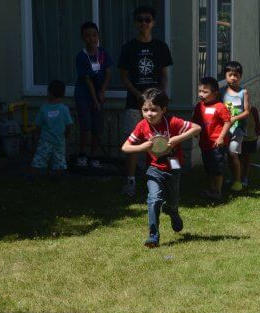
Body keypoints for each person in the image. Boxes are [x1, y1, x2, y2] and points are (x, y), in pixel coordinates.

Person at [121, 88, 200, 248]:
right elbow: (125, 147)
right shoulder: (142, 126)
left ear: (163, 110)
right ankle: (153, 235)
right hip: (154, 168)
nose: (149, 114)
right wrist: (142, 147)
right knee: (154, 199)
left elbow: (197, 128)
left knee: (173, 200)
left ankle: (173, 211)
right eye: (145, 110)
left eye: (153, 110)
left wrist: (178, 138)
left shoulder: (172, 122)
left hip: (174, 166)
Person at [119, 5, 173, 196]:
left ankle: (160, 178)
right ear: (135, 23)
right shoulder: (129, 48)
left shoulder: (160, 47)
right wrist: (136, 93)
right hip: (134, 103)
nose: (144, 23)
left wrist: (161, 94)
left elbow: (164, 74)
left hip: (157, 105)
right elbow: (124, 75)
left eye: (147, 19)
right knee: (133, 143)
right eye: (140, 19)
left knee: (160, 142)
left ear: (153, 23)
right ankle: (131, 180)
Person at [74, 21, 113, 169]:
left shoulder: (103, 54)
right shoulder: (81, 56)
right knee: (86, 126)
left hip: (99, 95)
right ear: (83, 38)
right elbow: (88, 79)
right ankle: (82, 155)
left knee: (97, 126)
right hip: (84, 95)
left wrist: (102, 91)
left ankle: (93, 156)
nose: (91, 39)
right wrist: (94, 98)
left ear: (98, 36)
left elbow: (108, 73)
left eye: (94, 35)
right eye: (87, 36)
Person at [193, 77, 232, 201]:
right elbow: (195, 121)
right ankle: (211, 189)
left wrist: (221, 137)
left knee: (217, 168)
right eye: (200, 91)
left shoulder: (220, 107)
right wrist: (195, 131)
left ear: (215, 93)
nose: (201, 95)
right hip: (204, 143)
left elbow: (227, 122)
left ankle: (218, 191)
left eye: (205, 92)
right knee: (208, 167)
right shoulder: (199, 106)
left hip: (217, 144)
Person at [30, 80, 73, 178]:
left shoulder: (43, 108)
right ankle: (58, 179)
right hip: (59, 141)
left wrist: (36, 137)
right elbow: (69, 125)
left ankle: (33, 178)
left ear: (49, 93)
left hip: (45, 141)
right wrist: (67, 135)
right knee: (59, 161)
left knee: (39, 160)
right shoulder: (64, 109)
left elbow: (38, 125)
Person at [220, 61, 250, 192]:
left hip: (238, 129)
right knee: (226, 154)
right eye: (230, 74)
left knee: (233, 153)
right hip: (224, 130)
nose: (233, 78)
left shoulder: (244, 92)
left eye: (236, 75)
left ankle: (238, 181)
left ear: (240, 76)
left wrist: (234, 118)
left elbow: (247, 111)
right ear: (225, 76)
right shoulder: (221, 92)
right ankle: (230, 178)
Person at [240, 106, 260, 187]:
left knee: (246, 158)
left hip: (250, 138)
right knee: (237, 158)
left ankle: (245, 176)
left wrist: (258, 132)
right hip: (238, 137)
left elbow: (257, 123)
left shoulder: (253, 110)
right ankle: (237, 177)